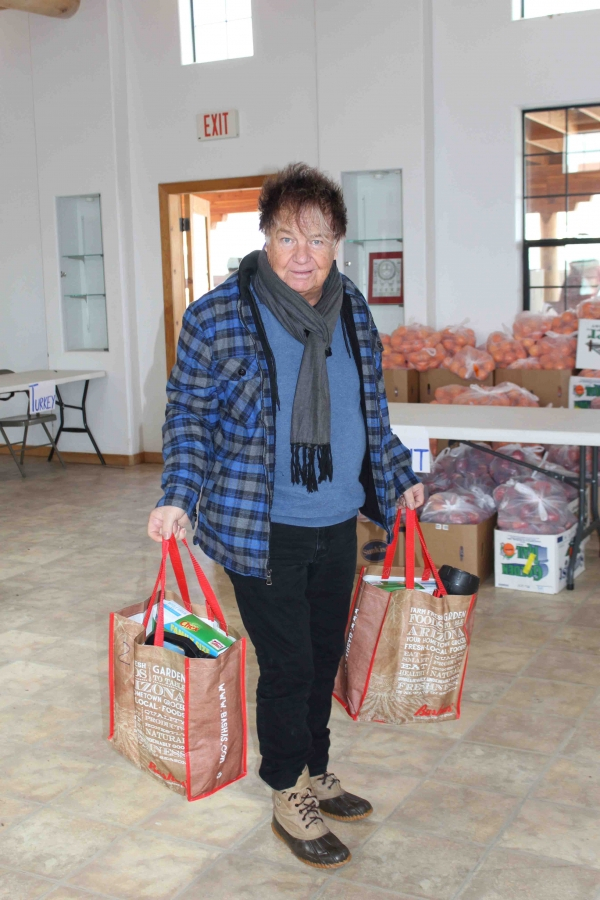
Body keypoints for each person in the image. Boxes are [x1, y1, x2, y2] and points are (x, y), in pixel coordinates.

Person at [148, 163, 424, 869]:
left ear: (338, 244)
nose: (304, 255)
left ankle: (316, 769)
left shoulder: (350, 305)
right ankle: (285, 789)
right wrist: (177, 494)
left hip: (337, 518)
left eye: (319, 239)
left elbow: (369, 408)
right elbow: (188, 417)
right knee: (290, 664)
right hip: (260, 525)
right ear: (264, 238)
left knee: (324, 654)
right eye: (287, 237)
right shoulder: (216, 316)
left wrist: (397, 476)